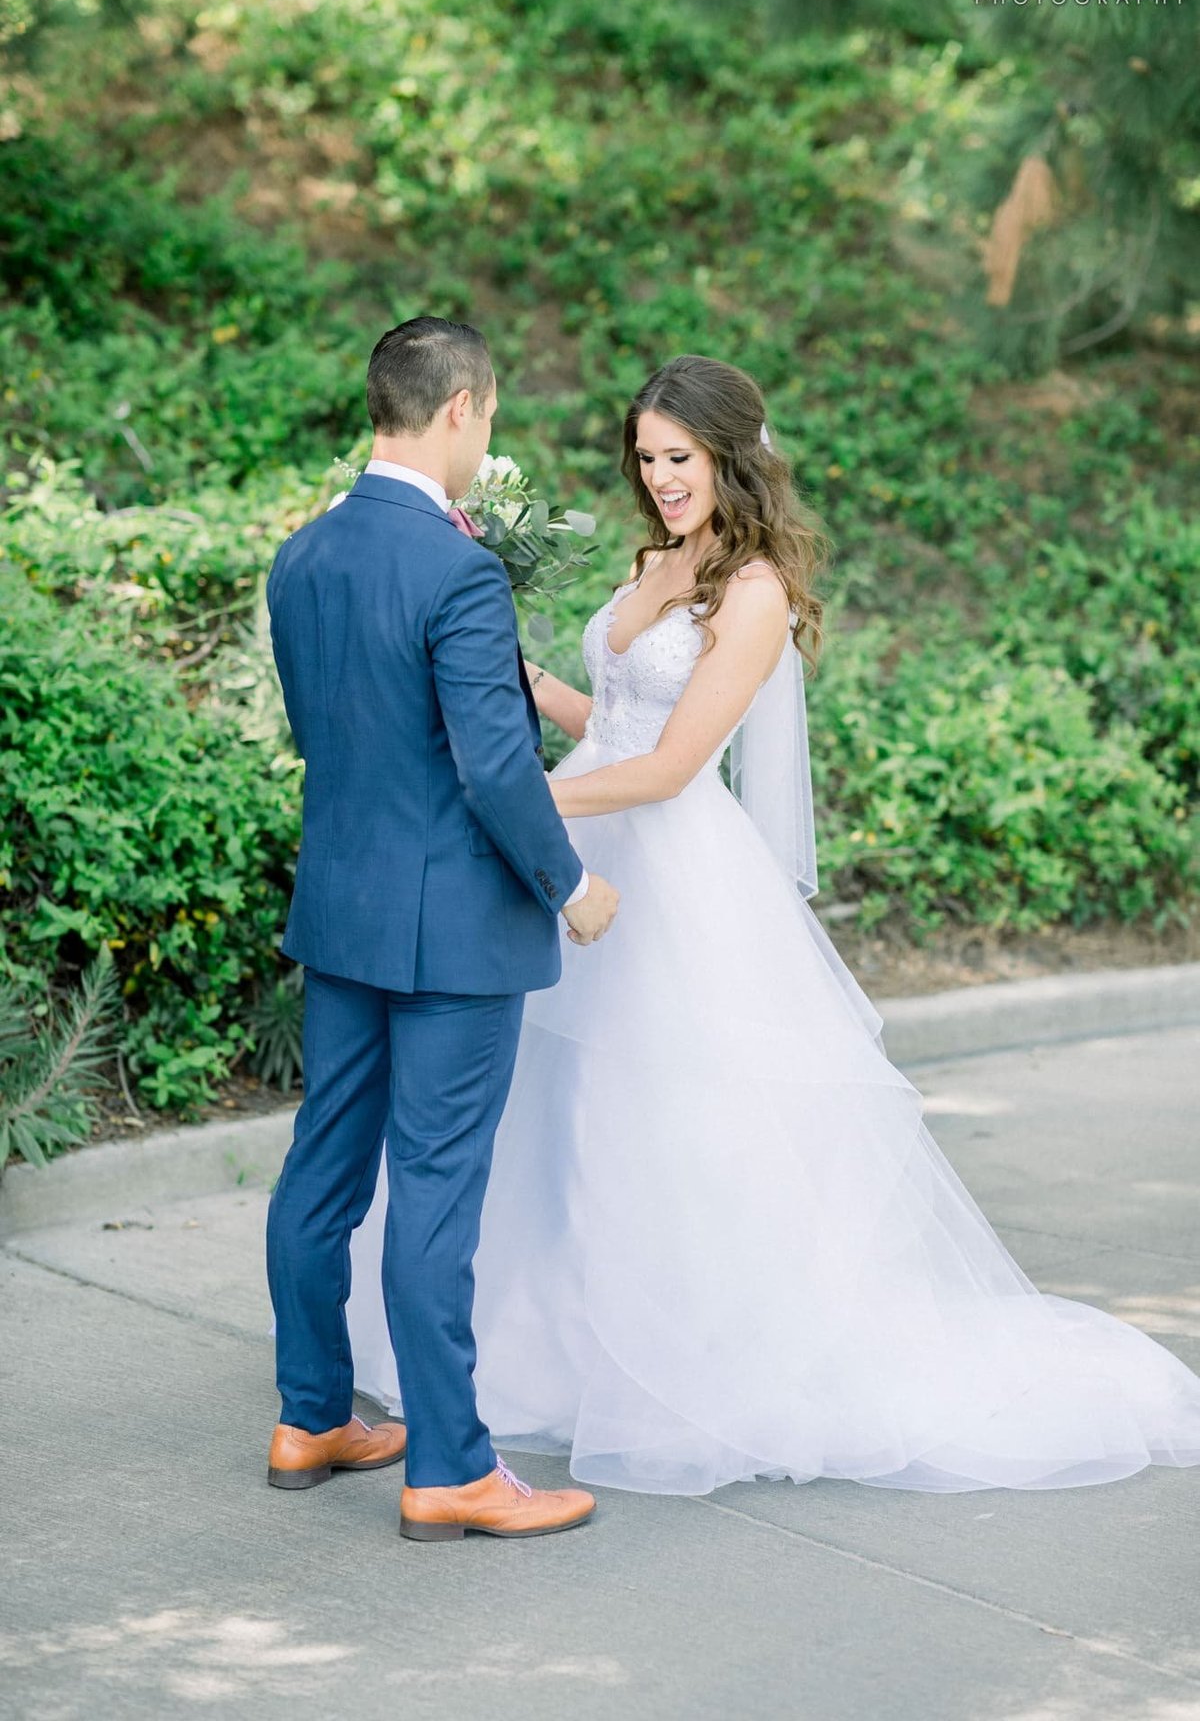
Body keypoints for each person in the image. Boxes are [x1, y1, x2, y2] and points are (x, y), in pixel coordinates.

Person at [347, 353, 1200, 1496]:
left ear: (731, 456)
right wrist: (533, 688)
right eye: (646, 458)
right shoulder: (657, 560)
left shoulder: (751, 594)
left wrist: (510, 793)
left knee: (655, 1112)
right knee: (551, 1109)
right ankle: (551, 1335)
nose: (660, 479)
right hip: (588, 846)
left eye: (680, 459)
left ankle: (688, 1360)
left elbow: (669, 765)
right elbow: (622, 716)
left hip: (668, 875)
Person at [265, 316, 618, 1541]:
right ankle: (452, 1469)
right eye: (494, 416)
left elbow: (335, 743)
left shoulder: (301, 559)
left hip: (343, 913)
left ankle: (310, 1414)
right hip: (454, 933)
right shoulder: (458, 569)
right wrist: (570, 886)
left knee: (322, 1170)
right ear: (462, 408)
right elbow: (495, 763)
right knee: (434, 1191)